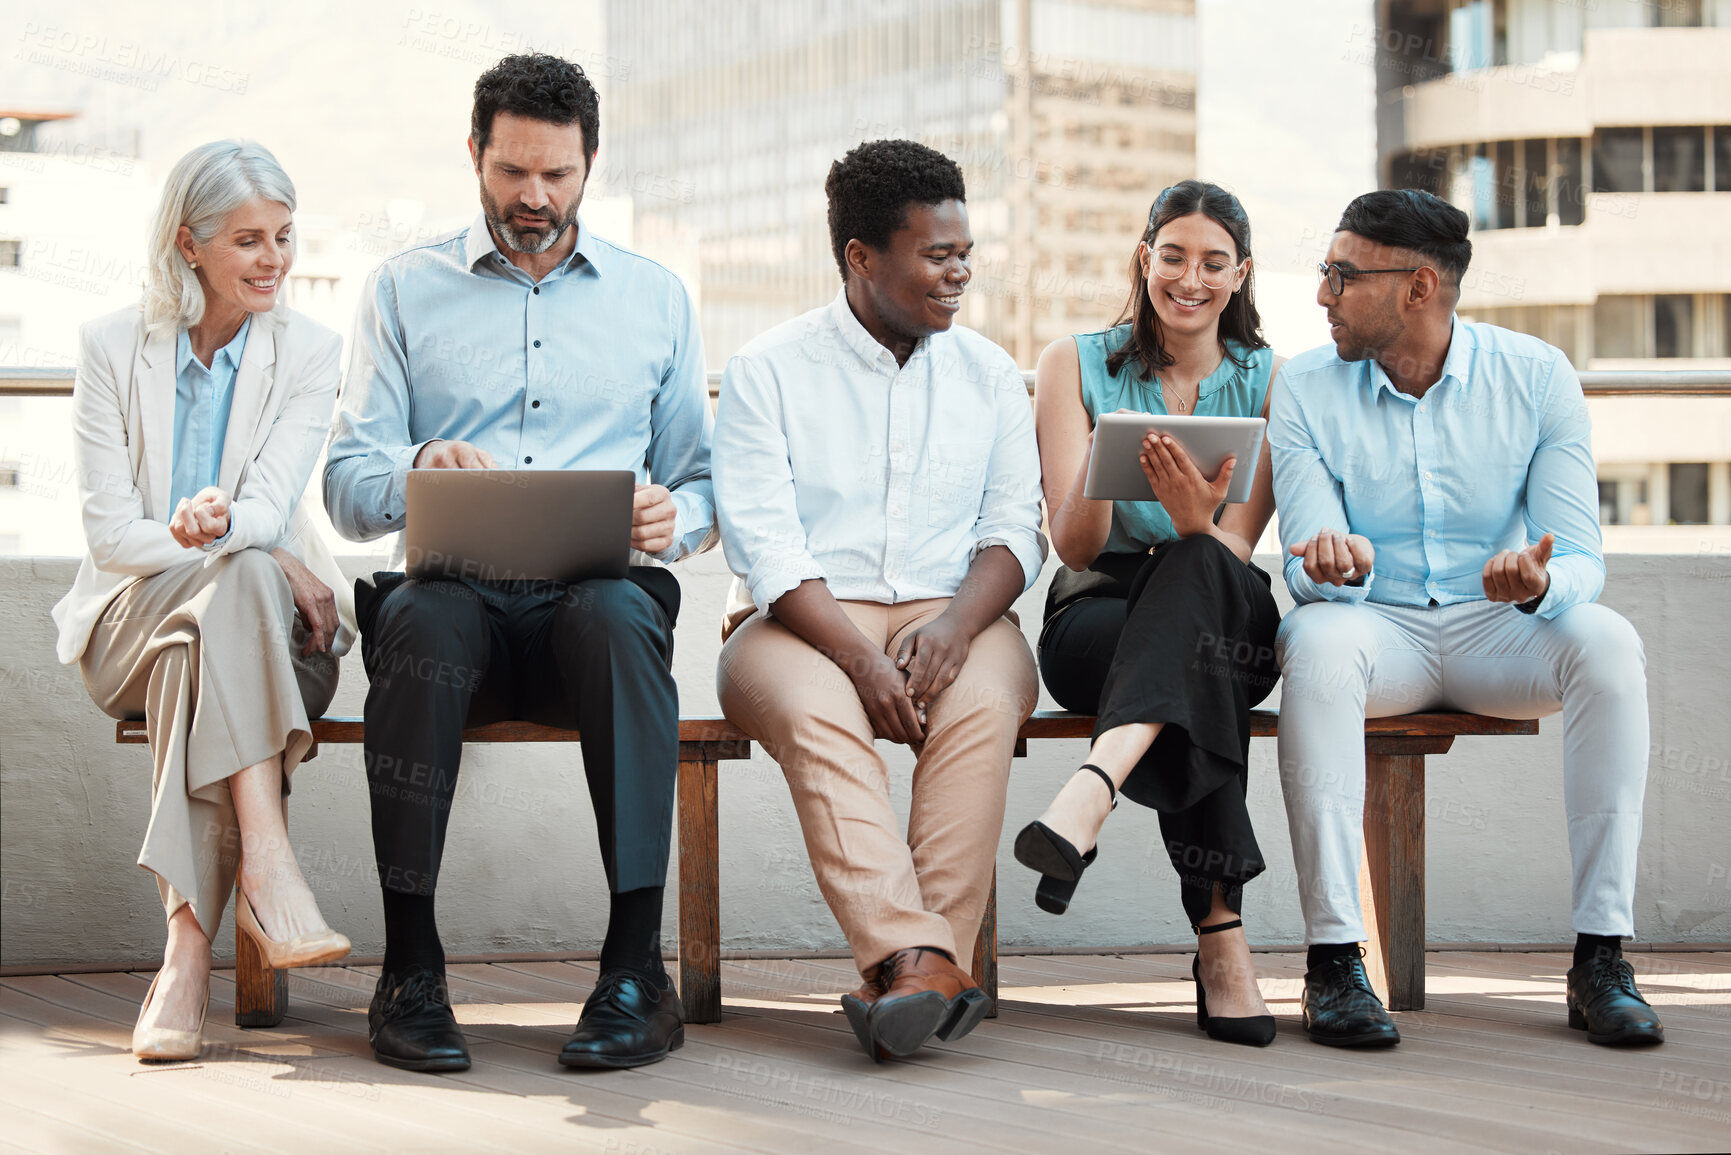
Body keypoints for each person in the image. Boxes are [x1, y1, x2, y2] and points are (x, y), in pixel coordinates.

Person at [323, 53, 714, 1072]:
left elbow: (705, 485)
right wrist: (417, 468)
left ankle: (636, 972)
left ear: (591, 165)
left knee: (624, 620)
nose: (533, 200)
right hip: (460, 609)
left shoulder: (656, 300)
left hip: (594, 611)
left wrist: (679, 511)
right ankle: (410, 968)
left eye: (557, 176)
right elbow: (344, 486)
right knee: (415, 620)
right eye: (511, 175)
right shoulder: (404, 290)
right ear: (474, 155)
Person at [1271, 188, 1662, 1048]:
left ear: (1417, 287)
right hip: (1380, 629)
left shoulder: (1536, 375)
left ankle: (1601, 954)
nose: (1321, 294)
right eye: (1324, 271)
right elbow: (1307, 547)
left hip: (1498, 633)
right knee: (1317, 642)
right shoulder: (1300, 383)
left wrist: (1533, 583)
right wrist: (1333, 566)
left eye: (1342, 274)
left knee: (1608, 646)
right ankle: (1333, 962)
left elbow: (1582, 558)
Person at [713, 139, 1045, 1062]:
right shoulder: (766, 369)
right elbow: (766, 546)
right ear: (861, 257)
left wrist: (956, 625)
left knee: (982, 700)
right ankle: (925, 957)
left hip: (959, 610)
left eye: (964, 252)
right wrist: (859, 658)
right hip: (800, 619)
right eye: (936, 255)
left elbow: (1016, 529)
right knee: (823, 715)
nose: (960, 273)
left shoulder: (988, 373)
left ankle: (909, 971)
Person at [54, 140, 355, 1063]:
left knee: (221, 616)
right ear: (189, 243)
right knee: (238, 582)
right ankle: (269, 864)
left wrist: (231, 540)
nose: (274, 260)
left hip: (266, 637)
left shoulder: (310, 351)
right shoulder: (110, 347)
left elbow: (265, 503)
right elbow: (112, 535)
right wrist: (201, 541)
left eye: (285, 237)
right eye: (248, 240)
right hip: (126, 627)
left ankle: (184, 957)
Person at [1010, 181, 1284, 1048]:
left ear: (1239, 274)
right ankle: (1221, 939)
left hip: (1220, 595)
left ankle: (1092, 791)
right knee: (1190, 674)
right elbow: (1077, 549)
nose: (1189, 279)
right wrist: (1101, 465)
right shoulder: (1072, 363)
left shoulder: (1271, 377)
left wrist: (1188, 518)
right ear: (1144, 258)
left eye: (1212, 262)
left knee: (1197, 570)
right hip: (1100, 612)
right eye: (1172, 256)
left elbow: (1235, 548)